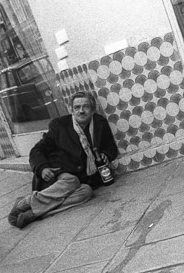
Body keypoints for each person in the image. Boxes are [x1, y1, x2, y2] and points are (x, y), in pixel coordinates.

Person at [9, 91, 118, 228]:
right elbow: (37, 150)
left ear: (92, 109)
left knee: (86, 191)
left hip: (83, 178)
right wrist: (42, 168)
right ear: (71, 110)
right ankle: (26, 203)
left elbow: (110, 146)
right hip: (58, 173)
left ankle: (35, 213)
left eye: (86, 107)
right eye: (77, 107)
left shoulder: (99, 123)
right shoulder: (59, 125)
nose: (81, 111)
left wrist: (105, 154)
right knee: (71, 181)